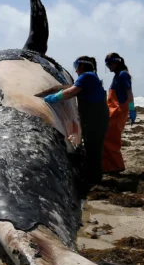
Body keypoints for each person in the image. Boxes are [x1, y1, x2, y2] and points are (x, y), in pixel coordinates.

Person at [44, 56, 110, 190]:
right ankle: (93, 177)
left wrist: (55, 97)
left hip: (95, 119)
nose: (75, 70)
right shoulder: (91, 77)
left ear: (81, 66)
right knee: (93, 148)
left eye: (76, 66)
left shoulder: (87, 76)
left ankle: (94, 180)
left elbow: (72, 91)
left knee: (93, 149)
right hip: (95, 118)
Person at [102, 52, 134, 174]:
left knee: (111, 139)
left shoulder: (123, 75)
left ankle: (116, 166)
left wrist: (131, 109)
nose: (108, 66)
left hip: (118, 111)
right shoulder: (117, 76)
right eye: (107, 64)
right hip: (113, 110)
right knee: (108, 138)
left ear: (116, 62)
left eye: (109, 64)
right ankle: (109, 166)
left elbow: (129, 92)